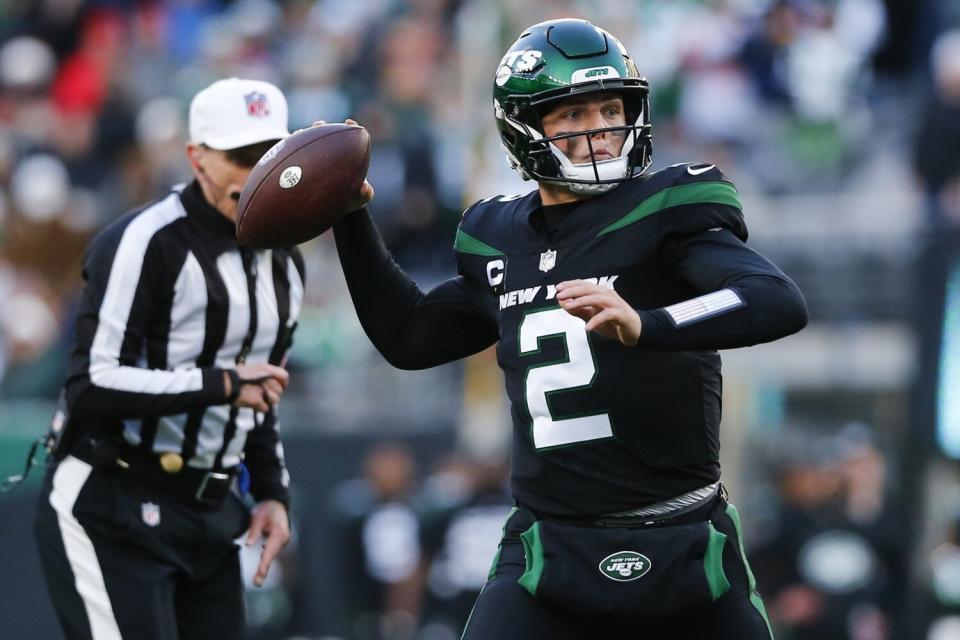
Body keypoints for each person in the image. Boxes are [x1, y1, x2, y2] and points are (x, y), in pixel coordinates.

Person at [333, 18, 807, 640]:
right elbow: (409, 337)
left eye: (612, 108)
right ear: (522, 128)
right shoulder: (497, 238)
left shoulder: (665, 210)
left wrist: (650, 324)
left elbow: (775, 299)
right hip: (548, 553)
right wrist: (350, 217)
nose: (600, 132)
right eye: (573, 116)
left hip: (684, 545)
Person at [33, 77, 304, 640]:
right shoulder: (145, 241)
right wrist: (223, 383)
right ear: (196, 157)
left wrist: (273, 492)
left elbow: (262, 390)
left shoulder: (286, 262)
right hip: (115, 502)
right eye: (241, 156)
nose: (256, 172)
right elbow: (92, 383)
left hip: (210, 511)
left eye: (269, 155)